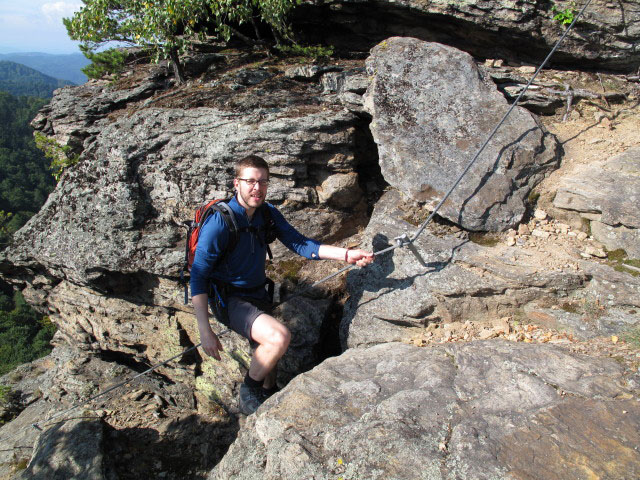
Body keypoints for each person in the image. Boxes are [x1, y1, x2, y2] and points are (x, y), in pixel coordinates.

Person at [191, 155, 374, 415]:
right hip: (229, 300)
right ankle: (248, 392)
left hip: (258, 295)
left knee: (268, 360)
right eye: (251, 181)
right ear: (237, 183)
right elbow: (198, 275)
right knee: (278, 337)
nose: (257, 187)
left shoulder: (267, 214)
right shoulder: (220, 222)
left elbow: (301, 244)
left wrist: (347, 255)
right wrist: (204, 329)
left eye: (263, 182)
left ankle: (266, 396)